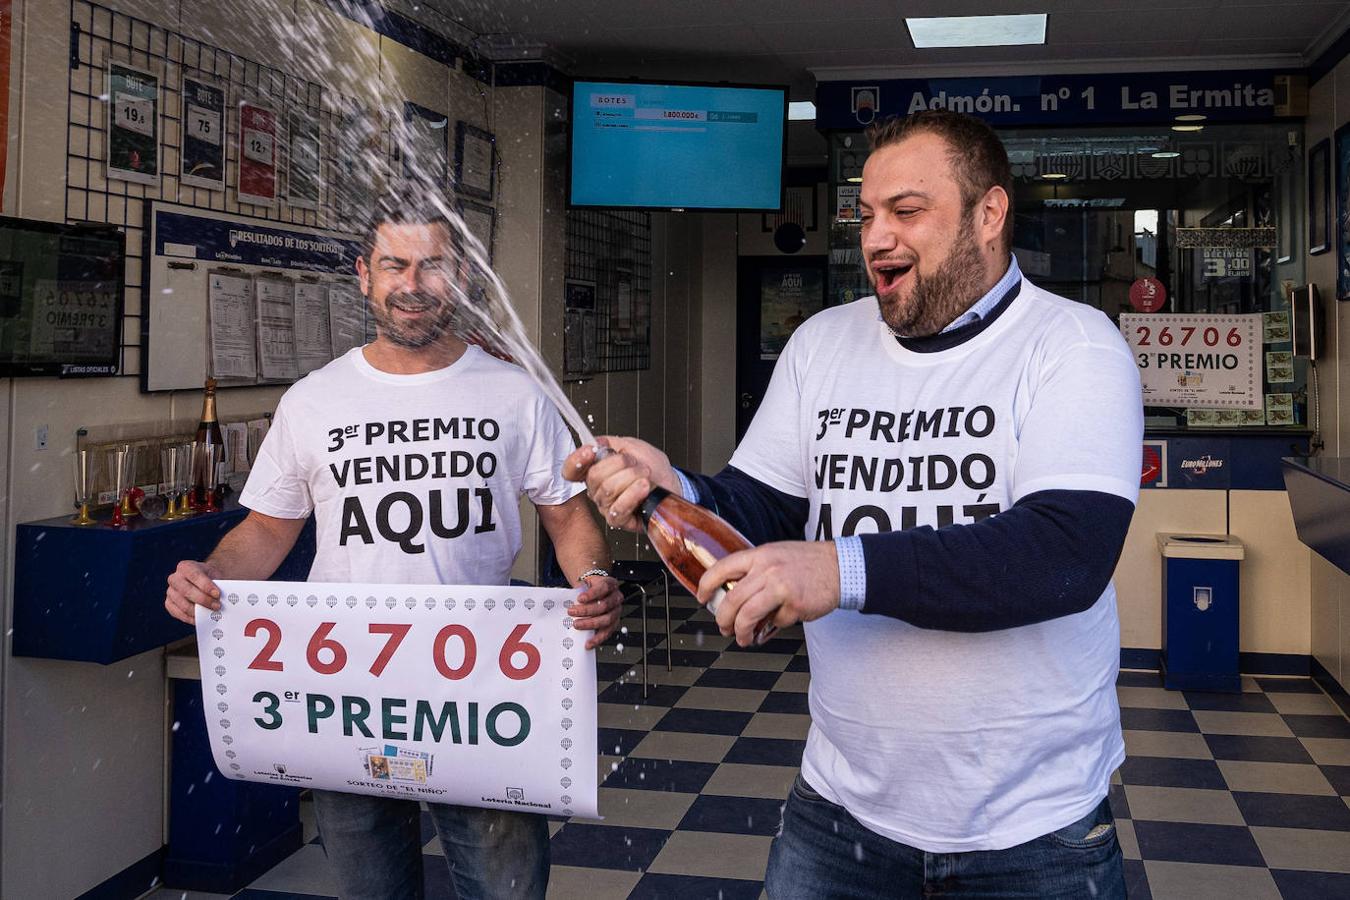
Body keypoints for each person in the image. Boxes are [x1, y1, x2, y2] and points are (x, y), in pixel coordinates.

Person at [566, 109, 1142, 899]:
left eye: (908, 212)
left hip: (1032, 831)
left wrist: (838, 569)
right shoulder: (822, 345)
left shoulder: (1073, 345)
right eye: (866, 215)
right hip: (838, 810)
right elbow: (761, 510)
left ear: (989, 213)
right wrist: (672, 491)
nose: (876, 238)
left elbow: (1063, 557)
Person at [166, 183, 622, 900]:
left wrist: (593, 581)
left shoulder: (515, 394)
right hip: (347, 687)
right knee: (370, 887)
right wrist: (207, 573)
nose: (413, 285)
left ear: (463, 276)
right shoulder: (313, 400)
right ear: (365, 275)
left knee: (506, 887)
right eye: (394, 265)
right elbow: (266, 530)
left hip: (482, 685)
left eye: (432, 266)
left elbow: (567, 520)